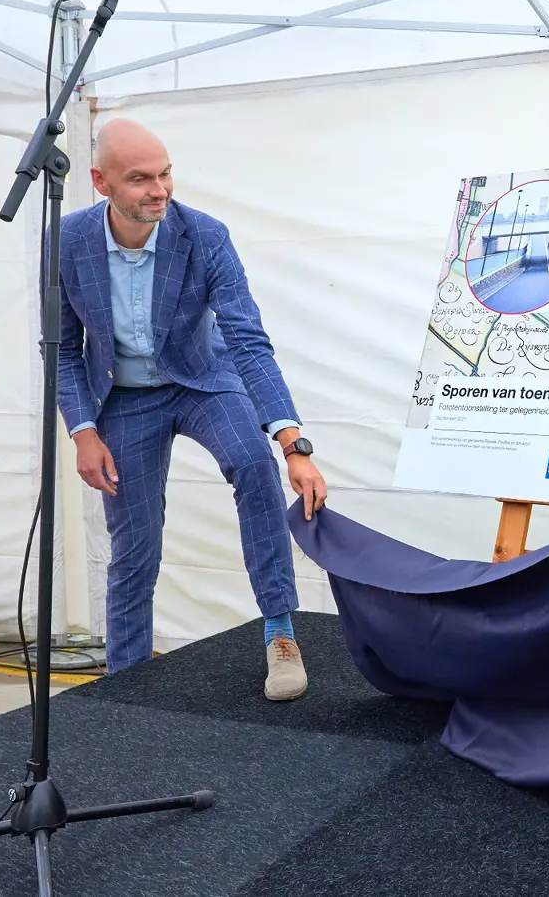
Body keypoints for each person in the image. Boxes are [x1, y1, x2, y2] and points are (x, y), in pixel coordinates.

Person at [58, 117, 327, 698]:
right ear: (101, 182)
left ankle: (280, 632)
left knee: (254, 465)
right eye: (140, 179)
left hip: (204, 380)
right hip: (123, 398)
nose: (159, 190)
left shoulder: (204, 235)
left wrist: (292, 443)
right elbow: (60, 348)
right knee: (135, 541)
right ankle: (126, 679)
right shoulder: (67, 241)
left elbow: (247, 339)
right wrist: (82, 430)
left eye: (165, 174)